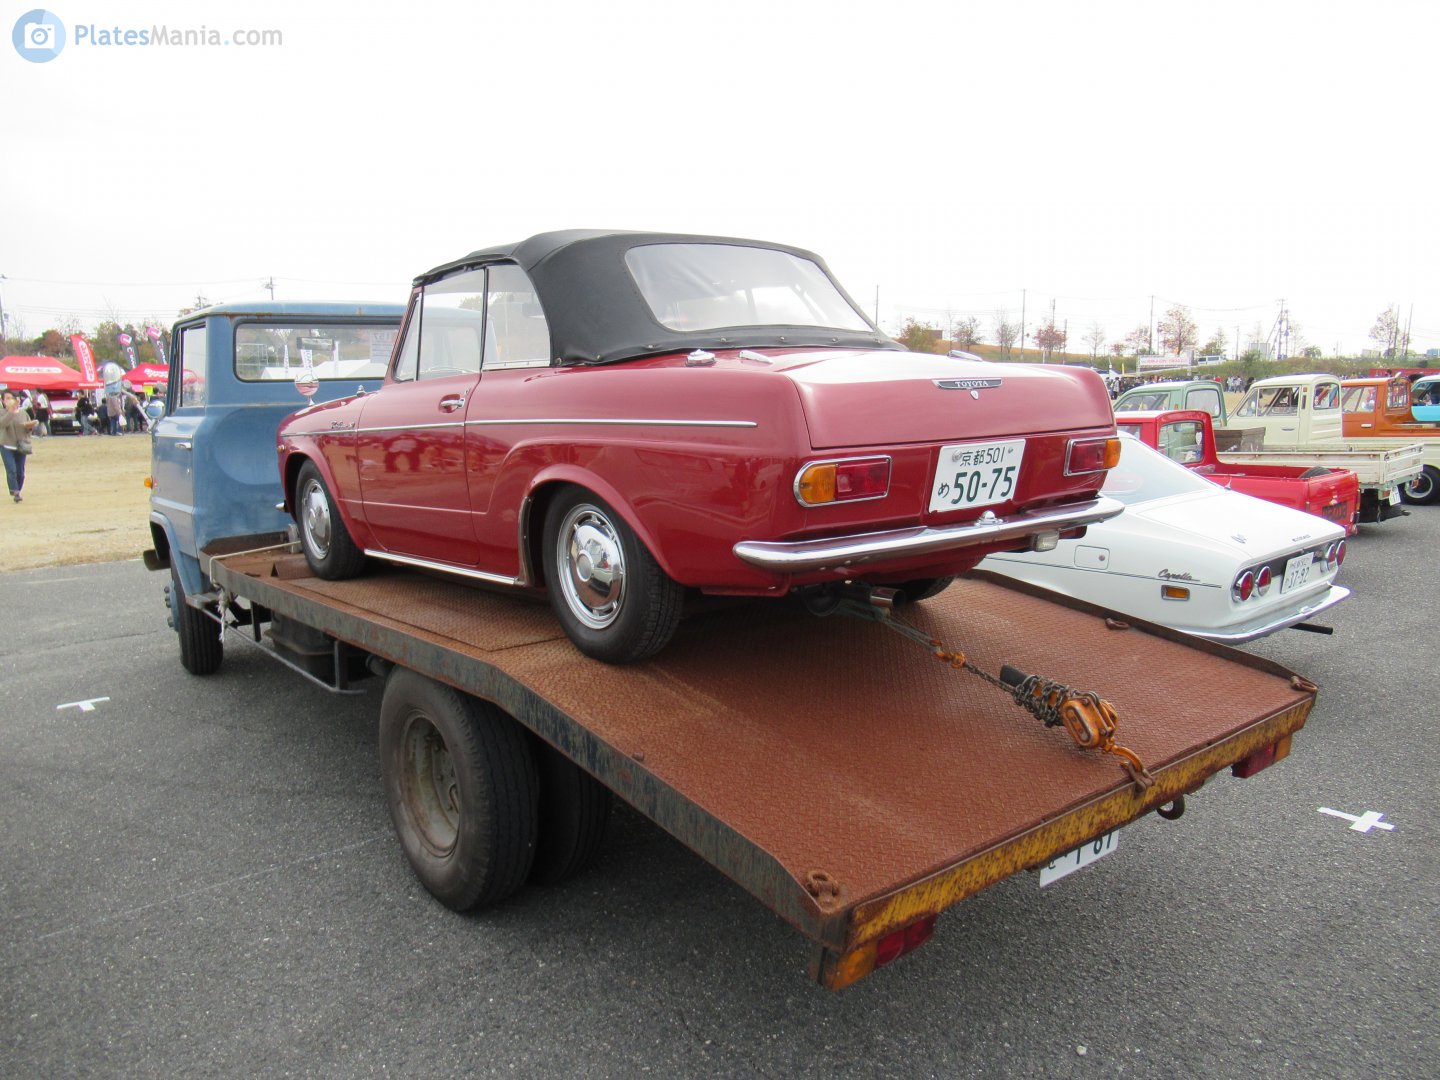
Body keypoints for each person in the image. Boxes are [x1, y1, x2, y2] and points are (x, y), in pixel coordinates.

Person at [1, 389, 39, 502]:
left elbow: (28, 429)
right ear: (3, 401)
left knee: (20, 473)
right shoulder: (2, 412)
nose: (8, 401)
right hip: (6, 445)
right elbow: (2, 424)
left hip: (21, 445)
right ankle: (15, 491)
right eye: (6, 399)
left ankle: (17, 489)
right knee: (11, 469)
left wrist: (30, 426)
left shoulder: (23, 413)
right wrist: (11, 412)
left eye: (10, 398)